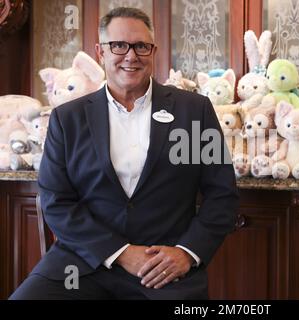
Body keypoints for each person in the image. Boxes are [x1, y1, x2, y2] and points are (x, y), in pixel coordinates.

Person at [10, 7, 238, 300]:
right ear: (100, 51)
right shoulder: (68, 118)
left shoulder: (192, 112)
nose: (131, 56)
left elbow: (222, 195)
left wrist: (186, 253)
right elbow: (56, 201)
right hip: (82, 263)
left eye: (141, 46)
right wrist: (120, 253)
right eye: (118, 45)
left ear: (153, 51)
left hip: (161, 266)